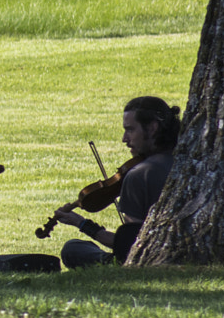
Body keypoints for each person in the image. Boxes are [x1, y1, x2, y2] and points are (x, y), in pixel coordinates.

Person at [51, 96, 180, 268]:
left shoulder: (138, 175)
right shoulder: (188, 160)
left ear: (152, 128)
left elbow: (131, 247)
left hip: (153, 260)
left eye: (130, 130)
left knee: (73, 249)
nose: (124, 139)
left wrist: (82, 224)